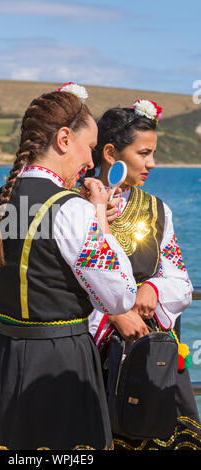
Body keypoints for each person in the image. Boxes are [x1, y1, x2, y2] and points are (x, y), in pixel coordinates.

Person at [0, 83, 138, 450]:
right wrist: (98, 217)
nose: (91, 162)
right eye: (89, 147)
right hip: (59, 362)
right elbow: (120, 296)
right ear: (64, 139)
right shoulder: (72, 210)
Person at [88, 99, 201, 450]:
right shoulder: (73, 206)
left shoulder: (157, 211)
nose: (152, 163)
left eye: (153, 153)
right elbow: (64, 282)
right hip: (91, 357)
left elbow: (180, 280)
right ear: (110, 152)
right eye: (144, 153)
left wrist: (152, 287)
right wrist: (116, 311)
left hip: (149, 357)